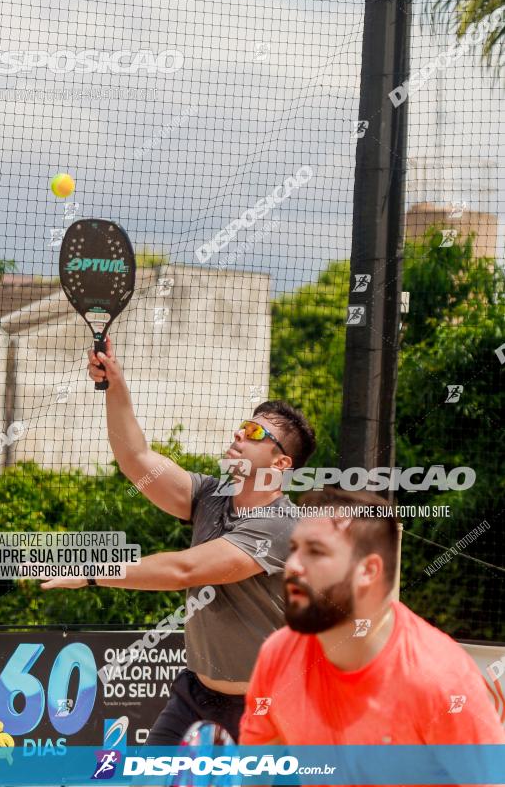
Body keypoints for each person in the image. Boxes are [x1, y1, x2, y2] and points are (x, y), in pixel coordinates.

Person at [40, 335, 316, 745]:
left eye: (255, 431)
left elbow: (184, 569)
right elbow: (138, 460)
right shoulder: (210, 495)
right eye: (242, 426)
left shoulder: (282, 525)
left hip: (266, 705)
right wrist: (115, 385)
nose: (240, 434)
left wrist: (92, 572)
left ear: (281, 463)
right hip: (196, 696)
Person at [239, 487, 504, 784]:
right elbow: (256, 772)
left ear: (368, 570)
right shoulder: (277, 654)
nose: (292, 566)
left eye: (315, 551)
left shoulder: (442, 679)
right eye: (294, 548)